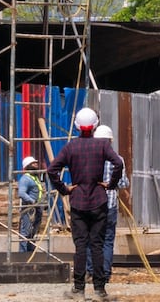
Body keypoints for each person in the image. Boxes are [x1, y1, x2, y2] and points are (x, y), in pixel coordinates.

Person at [47, 108, 123, 300]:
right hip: (99, 200)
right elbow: (118, 164)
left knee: (81, 246)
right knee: (97, 245)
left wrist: (64, 189)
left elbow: (51, 170)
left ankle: (78, 290)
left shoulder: (71, 147)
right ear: (95, 125)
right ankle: (100, 290)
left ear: (77, 127)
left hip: (78, 201)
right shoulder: (102, 146)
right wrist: (111, 184)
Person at [90, 125, 129, 283]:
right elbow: (123, 182)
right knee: (107, 240)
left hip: (91, 204)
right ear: (110, 141)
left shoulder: (89, 158)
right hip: (110, 205)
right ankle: (105, 274)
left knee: (91, 239)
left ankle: (90, 270)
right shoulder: (118, 159)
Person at [17, 155, 46, 253]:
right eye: (34, 163)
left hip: (37, 209)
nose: (36, 165)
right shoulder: (25, 179)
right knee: (25, 231)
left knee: (33, 231)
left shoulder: (35, 178)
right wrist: (32, 201)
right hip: (29, 209)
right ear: (28, 166)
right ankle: (23, 253)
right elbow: (21, 193)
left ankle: (29, 251)